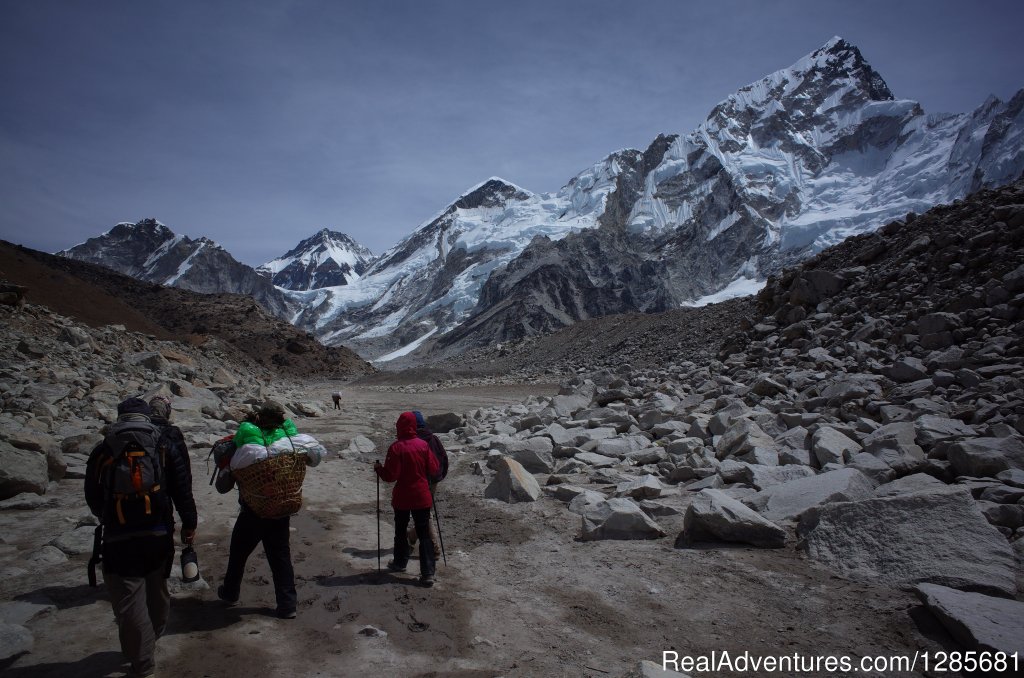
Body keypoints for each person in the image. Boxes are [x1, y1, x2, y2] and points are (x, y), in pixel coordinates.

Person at [85, 397, 197, 678]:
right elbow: (182, 488)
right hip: (158, 531)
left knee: (128, 600)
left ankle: (143, 662)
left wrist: (109, 516)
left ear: (120, 417)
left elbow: (93, 495)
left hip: (118, 537)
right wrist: (189, 524)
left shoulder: (103, 449)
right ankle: (150, 640)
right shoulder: (163, 445)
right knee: (158, 589)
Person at [215, 400, 324, 619]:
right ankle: (287, 604)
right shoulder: (288, 439)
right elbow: (313, 457)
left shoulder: (248, 439)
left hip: (253, 510)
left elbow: (227, 477)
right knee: (280, 556)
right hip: (281, 508)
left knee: (238, 551)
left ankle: (230, 592)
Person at [374, 411, 440, 587]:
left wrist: (379, 469)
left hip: (402, 497)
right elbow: (434, 469)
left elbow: (390, 476)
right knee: (424, 533)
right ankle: (427, 573)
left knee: (400, 530)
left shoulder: (396, 448)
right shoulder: (423, 445)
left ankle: (400, 563)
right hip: (421, 496)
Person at [407, 411, 448, 559]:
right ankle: (412, 535)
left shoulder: (413, 441)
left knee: (425, 514)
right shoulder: (434, 438)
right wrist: (439, 476)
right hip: (433, 480)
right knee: (425, 511)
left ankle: (434, 548)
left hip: (420, 481)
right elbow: (443, 458)